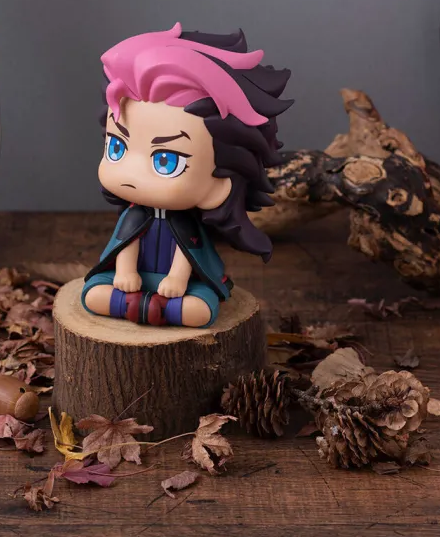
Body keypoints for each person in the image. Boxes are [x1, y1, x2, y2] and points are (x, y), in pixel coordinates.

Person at [82, 23, 293, 328]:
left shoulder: (187, 222)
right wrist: (126, 273)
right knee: (93, 294)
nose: (131, 173)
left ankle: (154, 308)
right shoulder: (133, 215)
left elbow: (187, 254)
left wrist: (177, 279)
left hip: (179, 286)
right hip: (131, 281)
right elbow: (125, 247)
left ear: (219, 185)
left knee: (201, 308)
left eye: (166, 161)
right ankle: (143, 306)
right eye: (117, 147)